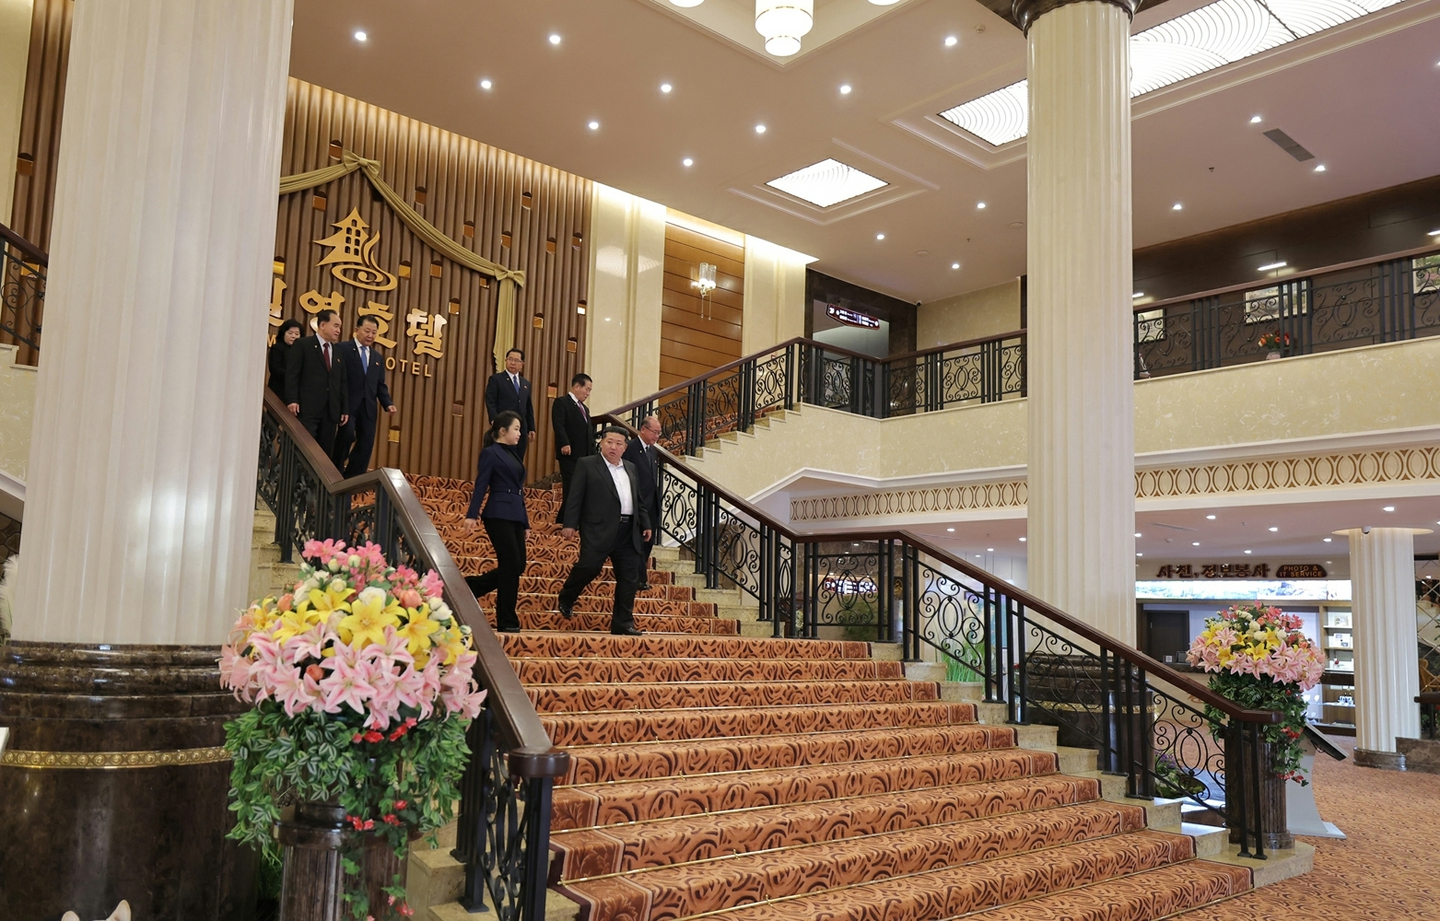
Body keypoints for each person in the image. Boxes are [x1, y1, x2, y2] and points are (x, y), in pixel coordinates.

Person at [557, 426, 651, 636]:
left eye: (619, 444)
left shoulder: (630, 468)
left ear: (625, 448)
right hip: (598, 528)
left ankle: (623, 623)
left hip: (628, 531)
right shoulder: (588, 465)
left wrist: (645, 523)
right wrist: (569, 523)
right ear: (601, 442)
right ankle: (567, 595)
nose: (613, 447)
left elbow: (638, 500)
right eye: (609, 442)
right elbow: (575, 496)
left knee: (629, 578)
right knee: (589, 567)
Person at [462, 412, 529, 633]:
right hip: (498, 513)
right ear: (503, 431)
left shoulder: (514, 454)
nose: (520, 433)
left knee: (518, 565)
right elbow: (481, 484)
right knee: (510, 564)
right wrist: (472, 514)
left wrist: (525, 522)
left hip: (516, 515)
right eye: (516, 428)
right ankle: (506, 619)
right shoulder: (490, 453)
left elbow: (520, 490)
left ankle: (471, 586)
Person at [331, 315, 397, 477]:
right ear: (356, 330)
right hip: (347, 404)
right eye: (367, 331)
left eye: (374, 332)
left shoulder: (377, 357)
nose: (370, 336)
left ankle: (353, 477)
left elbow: (380, 385)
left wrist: (387, 403)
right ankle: (334, 469)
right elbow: (336, 378)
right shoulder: (342, 349)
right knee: (346, 435)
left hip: (368, 407)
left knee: (366, 443)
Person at [285, 308, 348, 454]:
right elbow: (292, 374)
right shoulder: (303, 345)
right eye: (336, 326)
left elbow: (342, 382)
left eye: (340, 327)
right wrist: (292, 399)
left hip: (330, 411)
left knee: (324, 453)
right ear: (322, 325)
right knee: (304, 450)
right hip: (307, 408)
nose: (338, 330)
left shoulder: (338, 352)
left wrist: (344, 408)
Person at [622, 415, 663, 581]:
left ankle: (640, 575)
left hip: (651, 503)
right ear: (643, 429)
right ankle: (639, 578)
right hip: (637, 503)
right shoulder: (630, 447)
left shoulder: (653, 451)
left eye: (659, 433)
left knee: (648, 541)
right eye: (654, 432)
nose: (656, 436)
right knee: (637, 542)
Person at [551, 372, 595, 524]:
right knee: (571, 488)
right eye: (587, 389)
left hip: (584, 457)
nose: (588, 393)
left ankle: (564, 519)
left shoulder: (585, 409)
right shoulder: (562, 402)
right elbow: (559, 424)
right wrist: (564, 442)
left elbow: (588, 433)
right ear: (577, 386)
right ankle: (568, 521)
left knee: (579, 489)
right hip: (569, 454)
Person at [484, 348, 536, 460]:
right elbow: (490, 400)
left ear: (522, 364)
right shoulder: (496, 379)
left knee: (518, 460)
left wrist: (531, 428)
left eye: (517, 360)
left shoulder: (525, 383)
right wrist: (494, 419)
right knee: (502, 458)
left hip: (520, 428)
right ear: (505, 360)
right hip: (504, 426)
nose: (513, 363)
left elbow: (528, 406)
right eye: (510, 359)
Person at [268, 319, 302, 397]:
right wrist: (292, 376)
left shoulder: (302, 351)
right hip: (279, 389)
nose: (293, 336)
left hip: (296, 391)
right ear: (283, 333)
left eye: (297, 334)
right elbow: (275, 369)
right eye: (290, 333)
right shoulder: (278, 348)